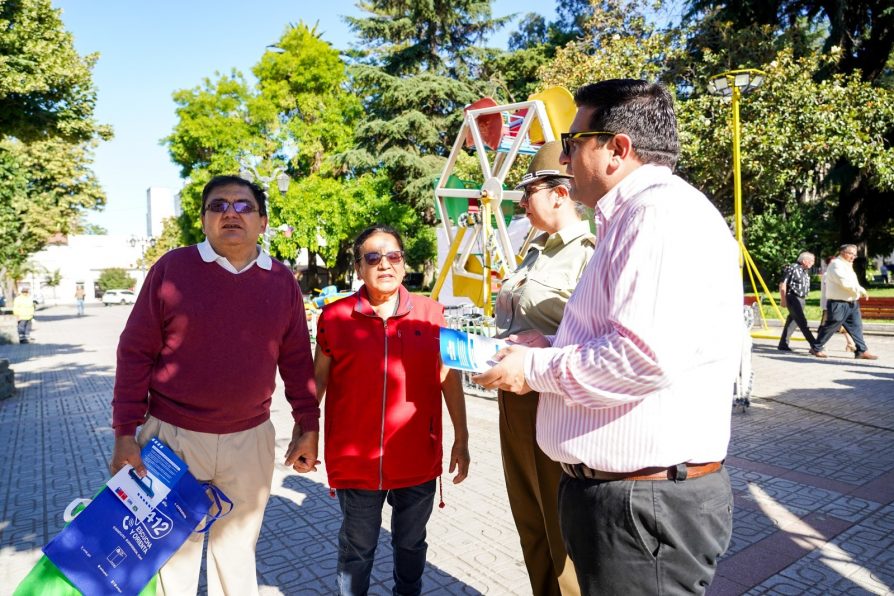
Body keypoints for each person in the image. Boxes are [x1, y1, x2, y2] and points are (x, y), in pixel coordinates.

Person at [474, 79, 742, 594]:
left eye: (575, 142)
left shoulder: (658, 215)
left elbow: (641, 357)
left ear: (618, 149)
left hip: (643, 507)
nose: (566, 155)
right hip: (629, 500)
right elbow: (625, 340)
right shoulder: (633, 217)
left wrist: (531, 369)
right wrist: (547, 348)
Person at [110, 175, 319, 595]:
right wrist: (124, 434)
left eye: (243, 206)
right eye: (218, 206)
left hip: (252, 439)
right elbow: (134, 353)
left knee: (238, 553)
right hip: (171, 439)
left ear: (262, 221)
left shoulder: (281, 282)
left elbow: (297, 361)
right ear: (204, 221)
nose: (230, 213)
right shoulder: (172, 270)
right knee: (170, 557)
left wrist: (308, 426)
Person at [313, 224, 470, 596]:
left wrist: (461, 439)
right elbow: (316, 382)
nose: (385, 264)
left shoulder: (432, 314)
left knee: (412, 546)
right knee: (357, 551)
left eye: (393, 255)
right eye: (373, 257)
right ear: (358, 267)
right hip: (355, 461)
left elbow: (450, 379)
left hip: (417, 457)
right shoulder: (334, 318)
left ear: (403, 262)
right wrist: (305, 432)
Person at [493, 141, 592, 596]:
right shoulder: (535, 251)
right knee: (529, 520)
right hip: (514, 400)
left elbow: (595, 338)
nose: (520, 201)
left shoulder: (590, 252)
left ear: (559, 193)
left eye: (529, 190)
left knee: (561, 532)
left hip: (554, 402)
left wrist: (542, 348)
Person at [813, 244, 878, 360]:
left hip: (852, 302)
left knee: (856, 327)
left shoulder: (847, 265)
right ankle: (816, 347)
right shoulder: (835, 264)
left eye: (855, 254)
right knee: (831, 326)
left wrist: (858, 291)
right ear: (842, 253)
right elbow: (844, 283)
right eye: (851, 254)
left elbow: (853, 282)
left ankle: (861, 351)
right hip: (838, 303)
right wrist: (861, 290)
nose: (853, 256)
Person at [777, 251, 823, 354]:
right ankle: (815, 346)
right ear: (804, 260)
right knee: (802, 323)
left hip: (801, 299)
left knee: (792, 321)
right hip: (793, 298)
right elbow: (782, 284)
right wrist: (783, 300)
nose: (813, 263)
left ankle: (783, 344)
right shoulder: (792, 268)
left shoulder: (804, 270)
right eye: (811, 261)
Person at [820, 255, 857, 353]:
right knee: (826, 325)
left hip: (841, 303)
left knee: (842, 324)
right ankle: (820, 345)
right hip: (830, 304)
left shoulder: (837, 272)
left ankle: (850, 343)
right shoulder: (828, 274)